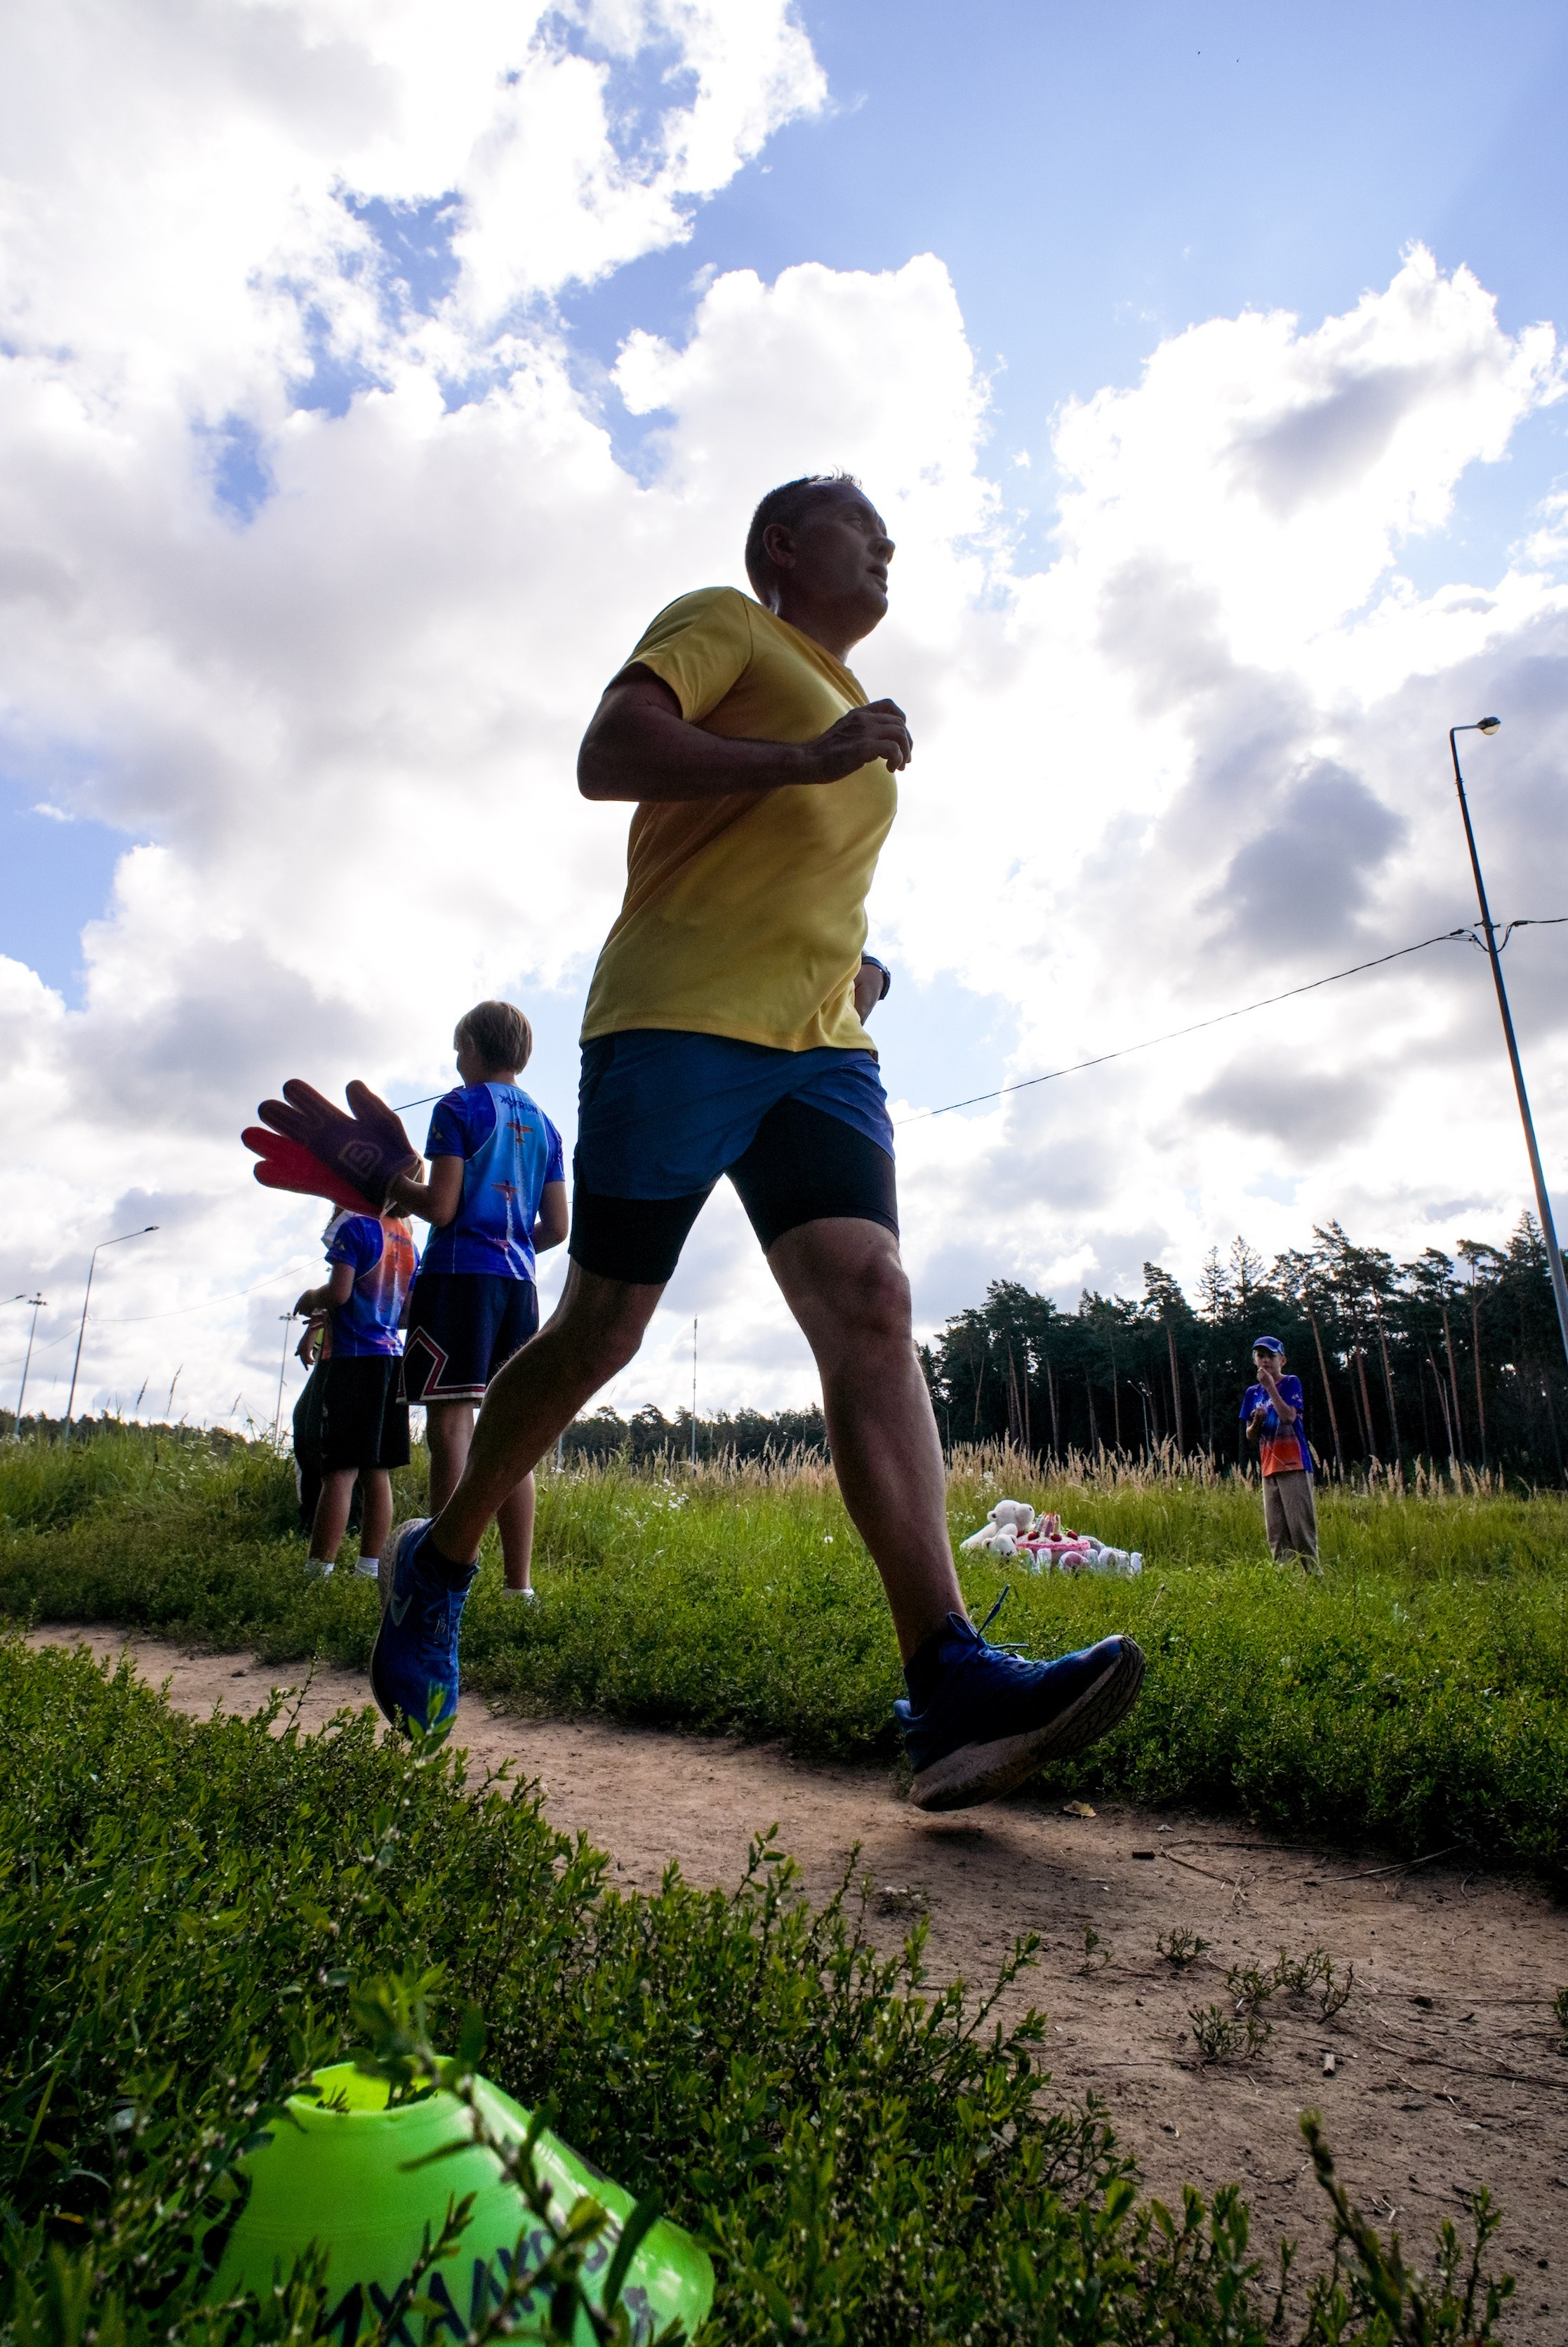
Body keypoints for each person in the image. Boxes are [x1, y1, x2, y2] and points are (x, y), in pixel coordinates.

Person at [372, 473, 1145, 1811]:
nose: (888, 542)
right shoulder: (725, 619)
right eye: (864, 523)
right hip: (674, 1017)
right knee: (604, 1325)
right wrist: (807, 754)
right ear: (786, 543)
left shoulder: (847, 709)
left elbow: (801, 877)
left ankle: (948, 1681)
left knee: (873, 1302)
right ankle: (436, 1562)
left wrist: (865, 972)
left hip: (819, 1050)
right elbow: (604, 756)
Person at [386, 1001, 569, 1597]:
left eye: (458, 1048)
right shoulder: (547, 1125)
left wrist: (392, 1185)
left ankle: (444, 1581)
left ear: (471, 1048)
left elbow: (439, 1207)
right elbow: (559, 1227)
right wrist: (512, 1245)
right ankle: (520, 1587)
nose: (456, 1059)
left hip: (458, 1280)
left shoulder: (457, 1107)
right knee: (512, 1437)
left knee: (452, 1428)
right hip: (519, 1287)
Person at [294, 1205, 418, 1579]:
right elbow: (407, 1315)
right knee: (376, 1470)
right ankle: (369, 1569)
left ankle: (319, 1570)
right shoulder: (407, 1237)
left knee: (340, 1471)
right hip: (389, 1360)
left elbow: (339, 1292)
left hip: (350, 1359)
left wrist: (310, 1297)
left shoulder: (356, 1227)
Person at [1241, 1335, 1319, 1569]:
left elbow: (1289, 1417)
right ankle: (1285, 1583)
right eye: (1260, 1356)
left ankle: (1314, 1578)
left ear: (1282, 1360)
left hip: (1294, 1463)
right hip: (1269, 1466)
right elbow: (1250, 1435)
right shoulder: (1252, 1393)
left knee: (1300, 1529)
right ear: (1254, 1360)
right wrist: (1257, 1423)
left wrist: (1270, 1388)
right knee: (1276, 1533)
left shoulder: (1291, 1382)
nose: (1265, 1361)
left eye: (1270, 1356)